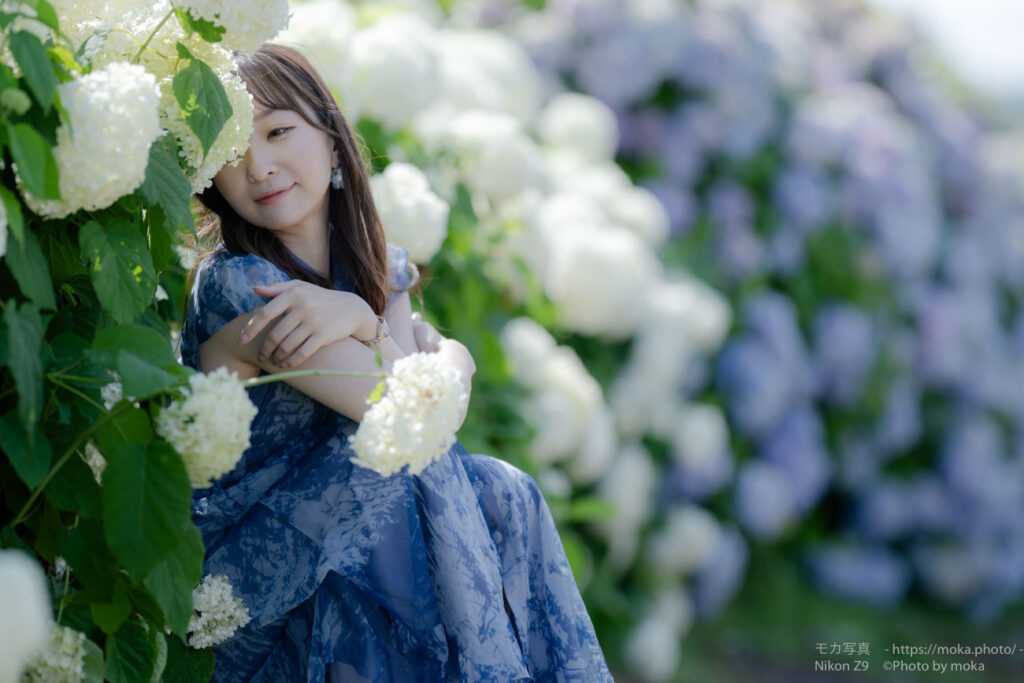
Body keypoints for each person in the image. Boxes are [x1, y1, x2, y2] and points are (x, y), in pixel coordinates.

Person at [180, 43, 611, 682]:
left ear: (331, 140)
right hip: (250, 583)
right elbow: (407, 414)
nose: (260, 165)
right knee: (384, 462)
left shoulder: (376, 267)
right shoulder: (244, 288)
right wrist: (400, 337)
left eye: (277, 132)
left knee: (501, 490)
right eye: (232, 151)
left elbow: (429, 416)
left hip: (350, 548)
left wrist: (424, 344)